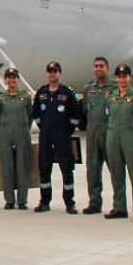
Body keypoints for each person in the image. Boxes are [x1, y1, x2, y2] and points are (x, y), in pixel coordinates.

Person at [31, 61, 85, 213]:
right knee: (44, 168)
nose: (52, 73)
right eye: (50, 71)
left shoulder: (67, 92)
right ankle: (45, 201)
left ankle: (69, 202)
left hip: (63, 136)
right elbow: (35, 114)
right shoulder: (41, 92)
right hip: (46, 136)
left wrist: (67, 130)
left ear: (60, 74)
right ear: (47, 74)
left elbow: (76, 114)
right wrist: (44, 127)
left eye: (55, 71)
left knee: (67, 169)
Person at [104, 63, 133, 221]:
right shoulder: (111, 96)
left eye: (125, 76)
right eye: (120, 77)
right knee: (116, 174)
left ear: (130, 78)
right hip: (113, 138)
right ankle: (119, 207)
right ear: (116, 78)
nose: (122, 79)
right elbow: (107, 115)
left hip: (132, 138)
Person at [0, 67, 32, 211]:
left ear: (18, 79)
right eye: (9, 77)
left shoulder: (25, 96)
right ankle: (9, 200)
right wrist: (5, 126)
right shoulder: (1, 96)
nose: (11, 80)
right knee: (7, 166)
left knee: (23, 166)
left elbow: (30, 116)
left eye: (14, 77)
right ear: (5, 80)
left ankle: (22, 200)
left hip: (22, 133)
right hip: (5, 133)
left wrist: (24, 128)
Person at [81, 57, 113, 214]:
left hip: (110, 133)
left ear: (107, 68)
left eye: (101, 66)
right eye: (96, 66)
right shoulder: (89, 89)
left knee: (115, 169)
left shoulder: (114, 87)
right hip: (93, 134)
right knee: (92, 170)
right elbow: (85, 111)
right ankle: (94, 203)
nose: (98, 68)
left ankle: (119, 204)